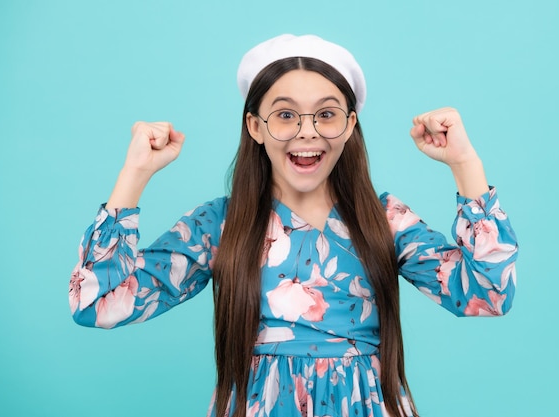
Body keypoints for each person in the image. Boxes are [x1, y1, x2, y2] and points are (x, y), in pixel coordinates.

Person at [69, 34, 518, 417]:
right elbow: (98, 304)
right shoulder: (221, 225)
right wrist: (134, 175)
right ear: (255, 127)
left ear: (349, 126)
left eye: (326, 114)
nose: (307, 131)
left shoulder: (383, 219)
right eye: (285, 114)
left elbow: (488, 293)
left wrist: (464, 163)